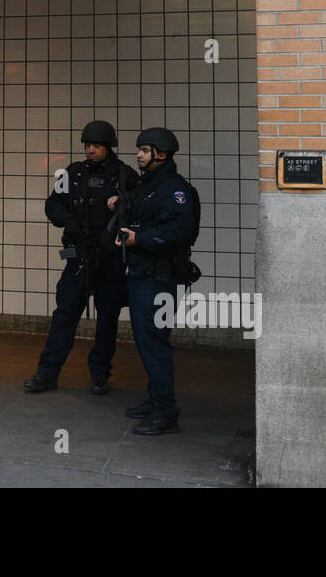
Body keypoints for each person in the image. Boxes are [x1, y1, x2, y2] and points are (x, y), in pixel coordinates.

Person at [24, 120, 135, 395]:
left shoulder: (124, 175)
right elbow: (52, 204)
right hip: (77, 255)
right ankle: (47, 373)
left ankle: (100, 375)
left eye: (96, 145)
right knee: (64, 314)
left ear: (108, 147)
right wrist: (68, 221)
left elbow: (139, 209)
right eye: (87, 145)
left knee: (107, 318)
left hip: (109, 258)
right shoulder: (72, 173)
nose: (91, 149)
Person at [113, 127, 202, 435]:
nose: (138, 154)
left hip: (158, 278)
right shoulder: (149, 186)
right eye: (139, 149)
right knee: (147, 341)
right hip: (142, 276)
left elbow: (180, 230)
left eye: (145, 150)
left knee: (155, 344)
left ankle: (165, 412)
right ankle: (156, 401)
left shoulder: (173, 189)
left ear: (162, 154)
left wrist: (140, 239)